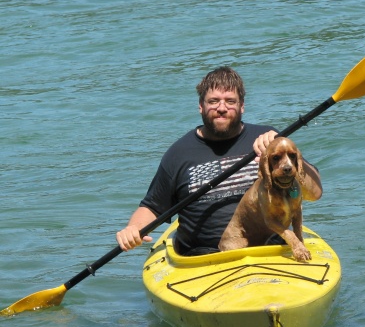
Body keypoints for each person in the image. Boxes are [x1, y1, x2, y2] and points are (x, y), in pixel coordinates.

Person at [116, 66, 322, 255]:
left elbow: (315, 193)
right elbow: (153, 207)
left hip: (271, 250)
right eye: (213, 101)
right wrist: (132, 229)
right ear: (200, 106)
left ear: (242, 106)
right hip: (204, 258)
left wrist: (278, 148)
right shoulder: (179, 153)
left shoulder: (271, 142)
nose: (222, 108)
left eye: (230, 101)